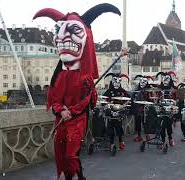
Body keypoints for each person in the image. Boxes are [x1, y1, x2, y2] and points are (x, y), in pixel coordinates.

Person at [33, 4, 121, 179]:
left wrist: (71, 112)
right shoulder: (59, 76)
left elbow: (87, 100)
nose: (64, 36)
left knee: (71, 155)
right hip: (62, 120)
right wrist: (61, 111)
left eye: (73, 30)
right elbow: (55, 100)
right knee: (61, 155)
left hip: (77, 121)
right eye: (60, 30)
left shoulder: (85, 77)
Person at [103, 73, 129, 150]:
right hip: (110, 111)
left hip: (119, 112)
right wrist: (107, 104)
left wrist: (123, 106)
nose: (117, 84)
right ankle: (111, 143)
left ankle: (120, 141)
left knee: (118, 127)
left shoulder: (122, 91)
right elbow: (103, 100)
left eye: (118, 82)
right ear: (112, 82)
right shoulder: (108, 91)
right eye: (115, 82)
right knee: (110, 128)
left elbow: (128, 100)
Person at [156, 71, 177, 147]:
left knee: (168, 125)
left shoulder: (173, 89)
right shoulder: (159, 89)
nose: (165, 81)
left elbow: (176, 100)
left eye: (167, 79)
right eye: (163, 79)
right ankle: (163, 140)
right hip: (161, 110)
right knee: (161, 126)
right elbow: (156, 99)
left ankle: (170, 138)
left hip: (170, 110)